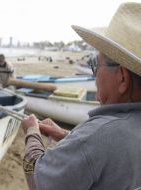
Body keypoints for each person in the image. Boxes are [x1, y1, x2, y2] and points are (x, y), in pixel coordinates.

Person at [21, 3, 141, 190]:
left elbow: (39, 179)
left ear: (122, 77)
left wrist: (32, 133)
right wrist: (66, 136)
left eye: (96, 64)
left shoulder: (99, 134)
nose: (94, 75)